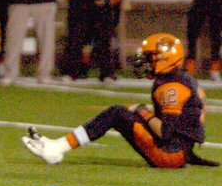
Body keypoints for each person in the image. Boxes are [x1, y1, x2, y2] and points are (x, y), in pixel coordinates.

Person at [23, 33, 218, 168]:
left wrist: (142, 111)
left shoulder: (171, 87)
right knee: (122, 113)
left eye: (150, 58)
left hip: (170, 154)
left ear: (164, 59)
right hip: (179, 150)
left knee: (116, 113)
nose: (145, 63)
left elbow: (165, 131)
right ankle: (58, 146)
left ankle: (57, 148)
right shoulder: (183, 80)